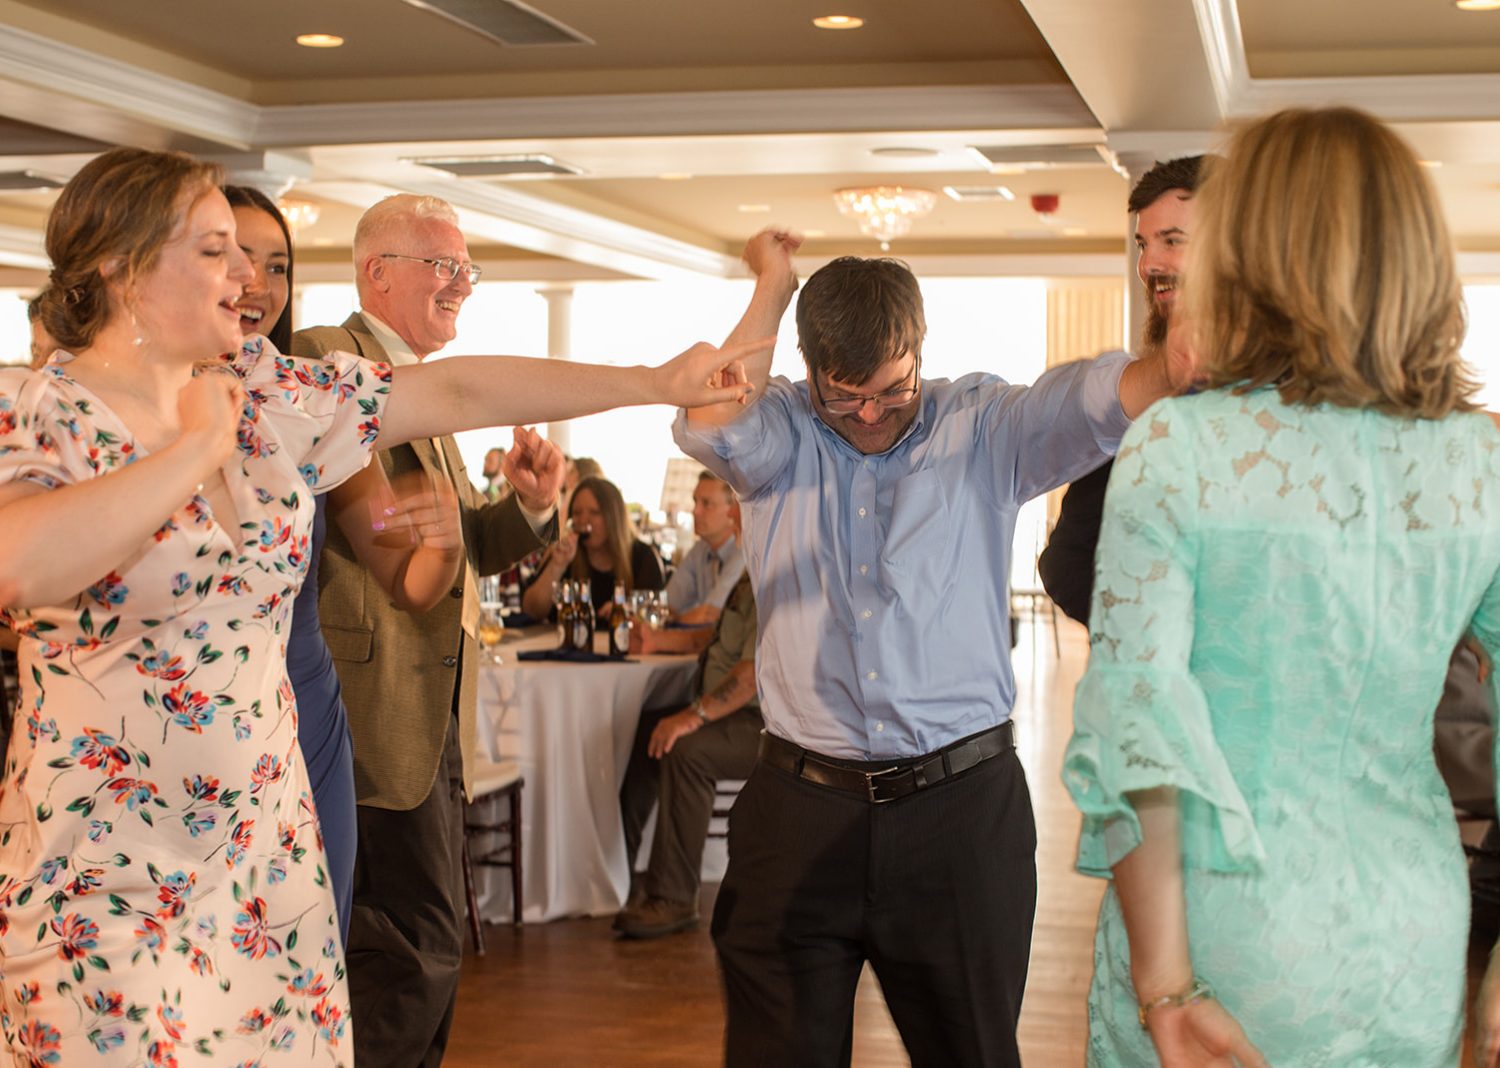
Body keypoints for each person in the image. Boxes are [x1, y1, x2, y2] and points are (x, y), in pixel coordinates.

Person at [0, 147, 760, 1065]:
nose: (247, 276)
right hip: (109, 866)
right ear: (124, 268)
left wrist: (653, 381)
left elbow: (458, 389)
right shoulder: (39, 409)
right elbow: (22, 566)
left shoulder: (267, 394)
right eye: (213, 251)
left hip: (265, 847)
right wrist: (193, 453)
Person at [673, 227, 1190, 1066]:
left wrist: (1168, 369)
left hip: (959, 814)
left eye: (892, 391)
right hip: (798, 811)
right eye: (845, 398)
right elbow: (708, 412)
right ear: (810, 377)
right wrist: (773, 286)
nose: (870, 415)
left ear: (919, 351)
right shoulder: (779, 435)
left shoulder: (982, 428)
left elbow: (1087, 401)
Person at [1062, 106, 1500, 1068]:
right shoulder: (1483, 460)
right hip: (1411, 926)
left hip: (1222, 923)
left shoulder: (1184, 443)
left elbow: (1137, 721)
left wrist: (1167, 990)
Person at [224, 184, 465, 940]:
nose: (258, 285)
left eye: (277, 265)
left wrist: (447, 542)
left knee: (308, 947)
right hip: (178, 715)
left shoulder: (302, 405)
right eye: (229, 258)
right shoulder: (87, 408)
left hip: (301, 698)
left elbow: (405, 572)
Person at [1038, 155, 1205, 625]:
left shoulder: (1304, 391)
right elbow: (1066, 563)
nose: (1149, 265)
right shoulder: (1141, 403)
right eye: (1142, 244)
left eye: (1172, 241)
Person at [616, 513, 759, 941]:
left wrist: (692, 715)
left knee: (686, 749)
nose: (731, 514)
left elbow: (753, 673)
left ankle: (674, 898)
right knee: (645, 731)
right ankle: (620, 870)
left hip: (765, 726)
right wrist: (658, 640)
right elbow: (713, 638)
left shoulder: (775, 575)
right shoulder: (752, 567)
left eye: (738, 504)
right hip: (734, 712)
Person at [520, 475, 665, 624]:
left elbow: (655, 611)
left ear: (614, 517)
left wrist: (625, 610)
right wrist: (557, 566)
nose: (583, 520)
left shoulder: (642, 556)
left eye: (594, 512)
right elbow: (531, 611)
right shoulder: (567, 554)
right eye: (577, 513)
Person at [663, 471, 744, 626]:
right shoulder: (700, 550)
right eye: (695, 501)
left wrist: (669, 621)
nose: (695, 511)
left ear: (733, 508)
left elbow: (712, 615)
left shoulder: (743, 551)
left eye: (706, 503)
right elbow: (667, 605)